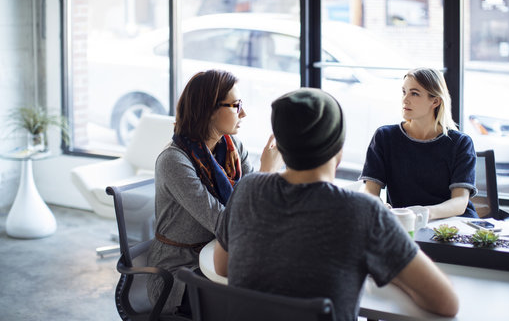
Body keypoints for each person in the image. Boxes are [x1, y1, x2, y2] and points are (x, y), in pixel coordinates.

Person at [213, 88, 459, 321]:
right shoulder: (362, 211)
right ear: (338, 150)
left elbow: (222, 266)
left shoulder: (247, 188)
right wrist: (390, 271)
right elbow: (446, 303)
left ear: (280, 147)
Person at [146, 69, 282, 315]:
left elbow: (254, 209)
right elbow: (225, 224)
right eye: (236, 105)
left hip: (221, 255)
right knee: (257, 301)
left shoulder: (233, 148)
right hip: (179, 274)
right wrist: (265, 172)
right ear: (208, 109)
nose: (244, 113)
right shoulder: (174, 161)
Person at [360, 67, 479, 220]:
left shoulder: (461, 143)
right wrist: (378, 205)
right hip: (407, 225)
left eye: (414, 93)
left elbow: (460, 202)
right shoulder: (385, 137)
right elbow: (370, 192)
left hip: (454, 227)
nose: (405, 99)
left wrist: (423, 214)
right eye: (404, 92)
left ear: (435, 101)